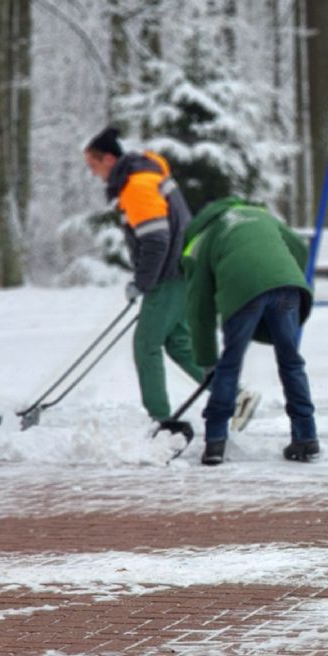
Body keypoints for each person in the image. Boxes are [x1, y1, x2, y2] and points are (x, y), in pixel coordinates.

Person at [83, 126, 258, 439]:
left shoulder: (137, 185)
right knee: (180, 345)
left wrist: (143, 281)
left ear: (109, 159)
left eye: (93, 165)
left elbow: (156, 239)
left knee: (145, 345)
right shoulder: (145, 177)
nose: (93, 173)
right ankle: (235, 395)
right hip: (183, 270)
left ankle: (161, 421)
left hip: (169, 275)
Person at [180, 197, 318, 466]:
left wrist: (207, 361)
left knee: (229, 364)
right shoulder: (261, 215)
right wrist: (281, 274)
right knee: (291, 362)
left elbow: (200, 309)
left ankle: (215, 443)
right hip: (288, 286)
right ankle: (306, 437)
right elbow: (299, 247)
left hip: (243, 291)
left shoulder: (200, 241)